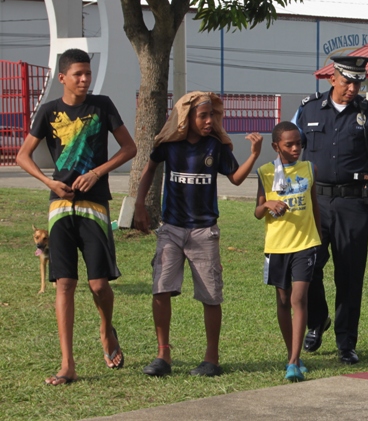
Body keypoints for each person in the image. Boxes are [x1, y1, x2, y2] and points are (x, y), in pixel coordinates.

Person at [16, 48, 137, 385]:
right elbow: (22, 155)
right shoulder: (49, 111)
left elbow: (130, 148)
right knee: (65, 284)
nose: (84, 80)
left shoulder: (102, 106)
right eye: (78, 74)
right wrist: (49, 182)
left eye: (87, 74)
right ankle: (67, 364)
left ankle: (106, 329)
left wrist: (97, 173)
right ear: (62, 78)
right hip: (60, 206)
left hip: (94, 206)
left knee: (99, 285)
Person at [134, 91, 262, 377]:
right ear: (186, 117)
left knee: (211, 295)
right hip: (171, 228)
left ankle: (211, 359)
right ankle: (163, 355)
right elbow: (150, 168)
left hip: (204, 232)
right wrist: (139, 204)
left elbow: (236, 178)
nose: (209, 121)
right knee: (160, 288)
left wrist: (253, 154)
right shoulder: (169, 145)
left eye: (212, 116)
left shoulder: (215, 146)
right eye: (202, 116)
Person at [293, 56, 368, 364]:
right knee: (308, 266)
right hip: (316, 202)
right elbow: (290, 148)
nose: (352, 89)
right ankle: (317, 320)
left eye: (358, 84)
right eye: (348, 82)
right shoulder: (309, 109)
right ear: (332, 79)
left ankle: (346, 342)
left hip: (353, 204)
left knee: (349, 274)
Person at [255, 121, 321, 382]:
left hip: (305, 243)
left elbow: (314, 206)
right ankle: (292, 354)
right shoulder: (265, 172)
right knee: (283, 300)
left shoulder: (309, 168)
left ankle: (293, 361)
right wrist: (268, 204)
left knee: (298, 298)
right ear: (276, 146)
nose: (296, 148)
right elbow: (257, 211)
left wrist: (319, 239)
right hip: (277, 246)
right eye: (289, 144)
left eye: (299, 144)